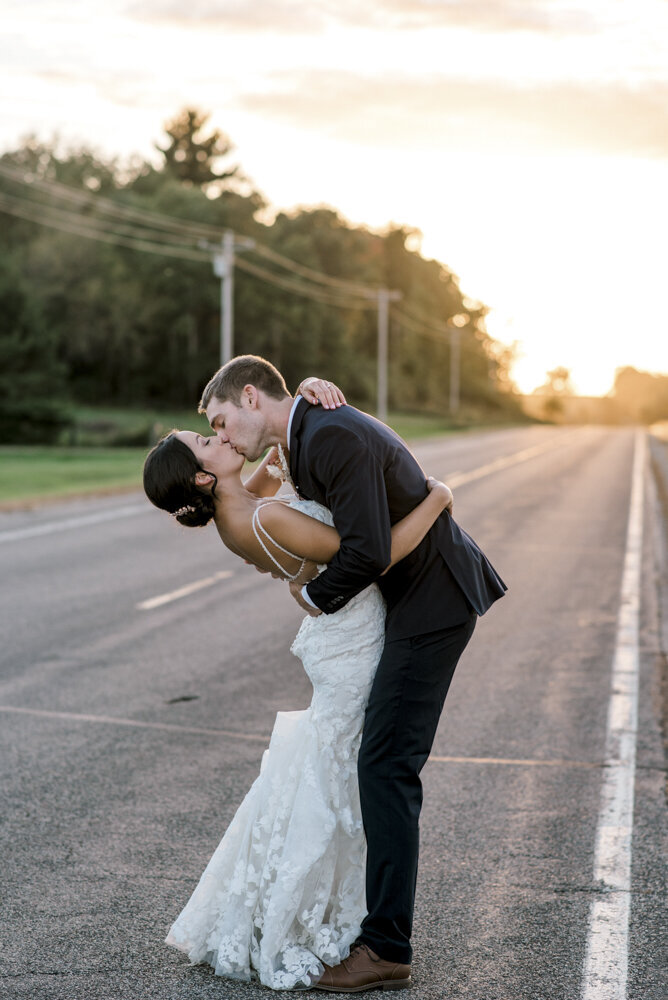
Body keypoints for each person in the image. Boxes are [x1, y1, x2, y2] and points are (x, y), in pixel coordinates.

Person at [199, 356, 507, 993]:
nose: (223, 436)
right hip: (409, 602)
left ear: (250, 397)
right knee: (380, 761)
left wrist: (313, 600)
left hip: (435, 601)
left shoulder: (327, 434)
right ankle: (377, 932)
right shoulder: (305, 436)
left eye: (222, 421)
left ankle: (387, 948)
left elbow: (364, 551)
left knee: (385, 764)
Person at [143, 381, 454, 991]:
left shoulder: (236, 510)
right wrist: (439, 498)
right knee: (351, 778)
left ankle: (330, 915)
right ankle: (353, 928)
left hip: (333, 639)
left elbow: (271, 469)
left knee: (333, 775)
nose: (221, 436)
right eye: (209, 439)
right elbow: (372, 556)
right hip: (352, 640)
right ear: (204, 478)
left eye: (217, 423)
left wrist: (300, 404)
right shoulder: (263, 513)